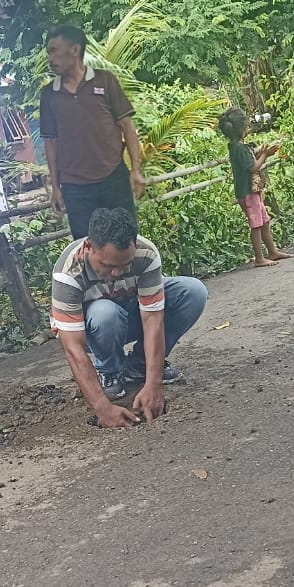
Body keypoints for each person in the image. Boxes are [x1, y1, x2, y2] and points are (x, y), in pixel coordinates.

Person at [51, 208, 208, 428]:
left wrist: (153, 383)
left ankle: (139, 366)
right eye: (108, 266)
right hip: (95, 328)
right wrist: (102, 408)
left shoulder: (145, 254)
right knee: (105, 313)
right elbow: (73, 349)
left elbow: (153, 320)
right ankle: (110, 372)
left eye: (125, 265)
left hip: (132, 314)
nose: (117, 273)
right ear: (89, 247)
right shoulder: (68, 273)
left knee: (193, 292)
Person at [38, 25, 148, 239]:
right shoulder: (49, 94)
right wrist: (56, 187)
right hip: (74, 187)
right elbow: (51, 143)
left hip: (113, 178)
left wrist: (136, 169)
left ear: (74, 50)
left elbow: (127, 125)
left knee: (126, 241)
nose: (50, 58)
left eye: (54, 50)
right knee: (86, 246)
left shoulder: (105, 80)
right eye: (48, 52)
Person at [218, 108, 292, 268]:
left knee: (264, 221)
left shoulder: (236, 147)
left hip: (251, 190)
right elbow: (253, 168)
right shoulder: (239, 148)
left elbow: (248, 163)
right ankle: (259, 258)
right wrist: (265, 155)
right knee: (256, 225)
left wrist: (261, 153)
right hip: (248, 192)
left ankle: (272, 251)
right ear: (242, 129)